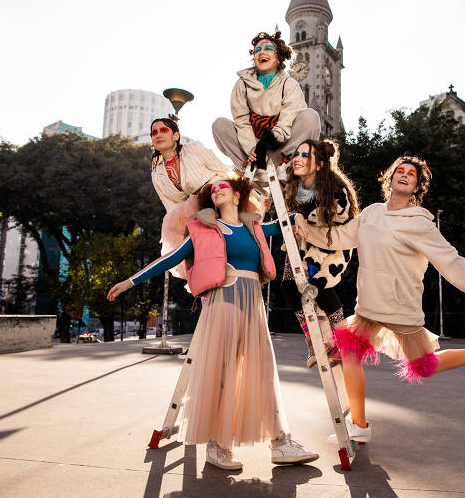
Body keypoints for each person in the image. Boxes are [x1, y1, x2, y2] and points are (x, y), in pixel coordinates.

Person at [297, 155, 465, 444]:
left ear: (417, 186)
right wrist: (305, 229)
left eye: (411, 174)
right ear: (390, 179)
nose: (404, 175)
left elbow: (452, 263)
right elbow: (341, 238)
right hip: (368, 308)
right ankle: (359, 424)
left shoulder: (420, 223)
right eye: (400, 171)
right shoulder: (371, 213)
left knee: (424, 366)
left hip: (401, 310)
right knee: (349, 351)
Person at [107, 176, 318, 471]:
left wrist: (295, 216)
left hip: (254, 305)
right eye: (213, 189)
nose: (217, 190)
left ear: (236, 195)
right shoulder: (202, 229)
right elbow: (169, 260)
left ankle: (281, 443)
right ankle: (217, 445)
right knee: (223, 372)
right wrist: (130, 281)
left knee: (264, 371)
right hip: (224, 303)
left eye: (224, 187)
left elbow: (282, 225)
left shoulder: (253, 227)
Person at [281, 139, 359, 368]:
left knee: (320, 286)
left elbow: (339, 223)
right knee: (288, 287)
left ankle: (341, 339)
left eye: (306, 155)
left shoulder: (334, 188)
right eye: (297, 153)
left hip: (330, 244)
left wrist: (311, 261)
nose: (298, 158)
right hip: (300, 243)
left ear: (320, 165)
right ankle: (313, 338)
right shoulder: (292, 186)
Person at [212, 30, 320, 174]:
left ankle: (288, 164)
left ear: (279, 57)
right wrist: (252, 148)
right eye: (257, 50)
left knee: (310, 116)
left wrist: (268, 143)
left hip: (280, 146)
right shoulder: (242, 84)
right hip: (253, 150)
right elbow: (242, 121)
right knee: (219, 124)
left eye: (268, 49)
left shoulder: (290, 84)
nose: (261, 52)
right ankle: (252, 168)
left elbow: (288, 120)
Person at [149, 117, 233, 277]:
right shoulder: (157, 174)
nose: (158, 135)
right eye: (154, 133)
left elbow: (223, 172)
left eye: (164, 130)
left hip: (217, 195)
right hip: (194, 210)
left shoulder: (194, 148)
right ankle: (204, 279)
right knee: (188, 238)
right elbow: (172, 207)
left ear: (176, 135)